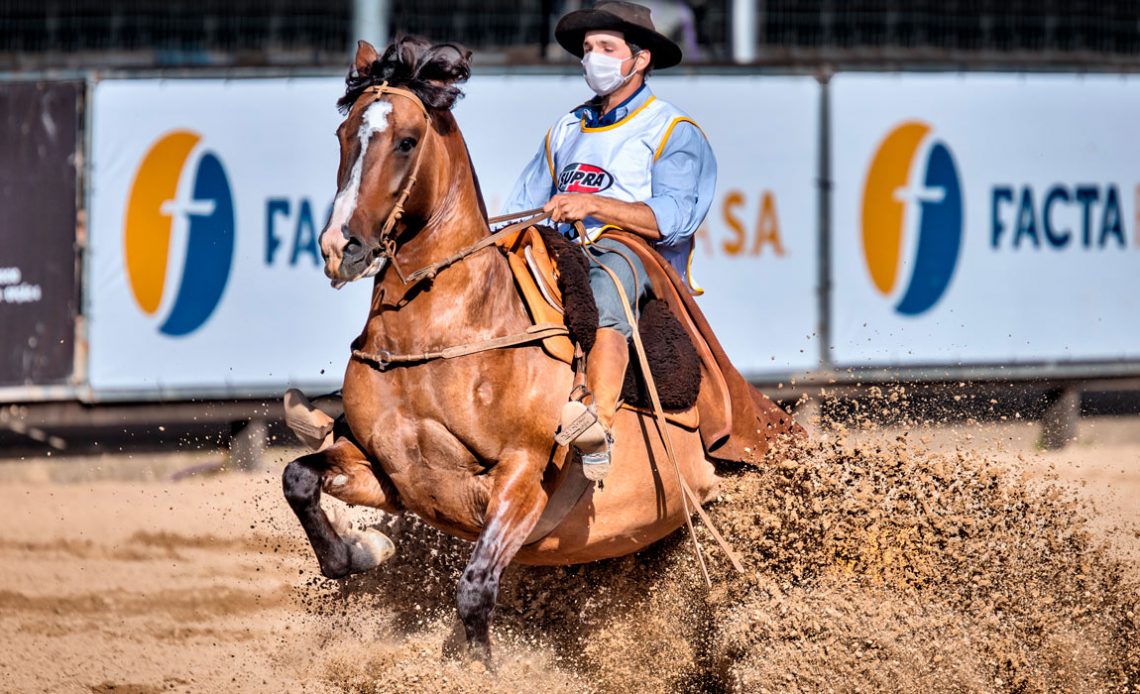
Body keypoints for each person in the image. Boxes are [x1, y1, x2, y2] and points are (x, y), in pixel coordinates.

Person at [505, 0, 716, 481]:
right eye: (587, 49)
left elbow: (675, 220)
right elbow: (523, 204)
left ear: (640, 59)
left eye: (606, 47)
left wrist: (593, 205)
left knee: (608, 276)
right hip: (561, 248)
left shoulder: (672, 130)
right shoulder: (566, 127)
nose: (592, 58)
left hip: (638, 259)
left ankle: (597, 422)